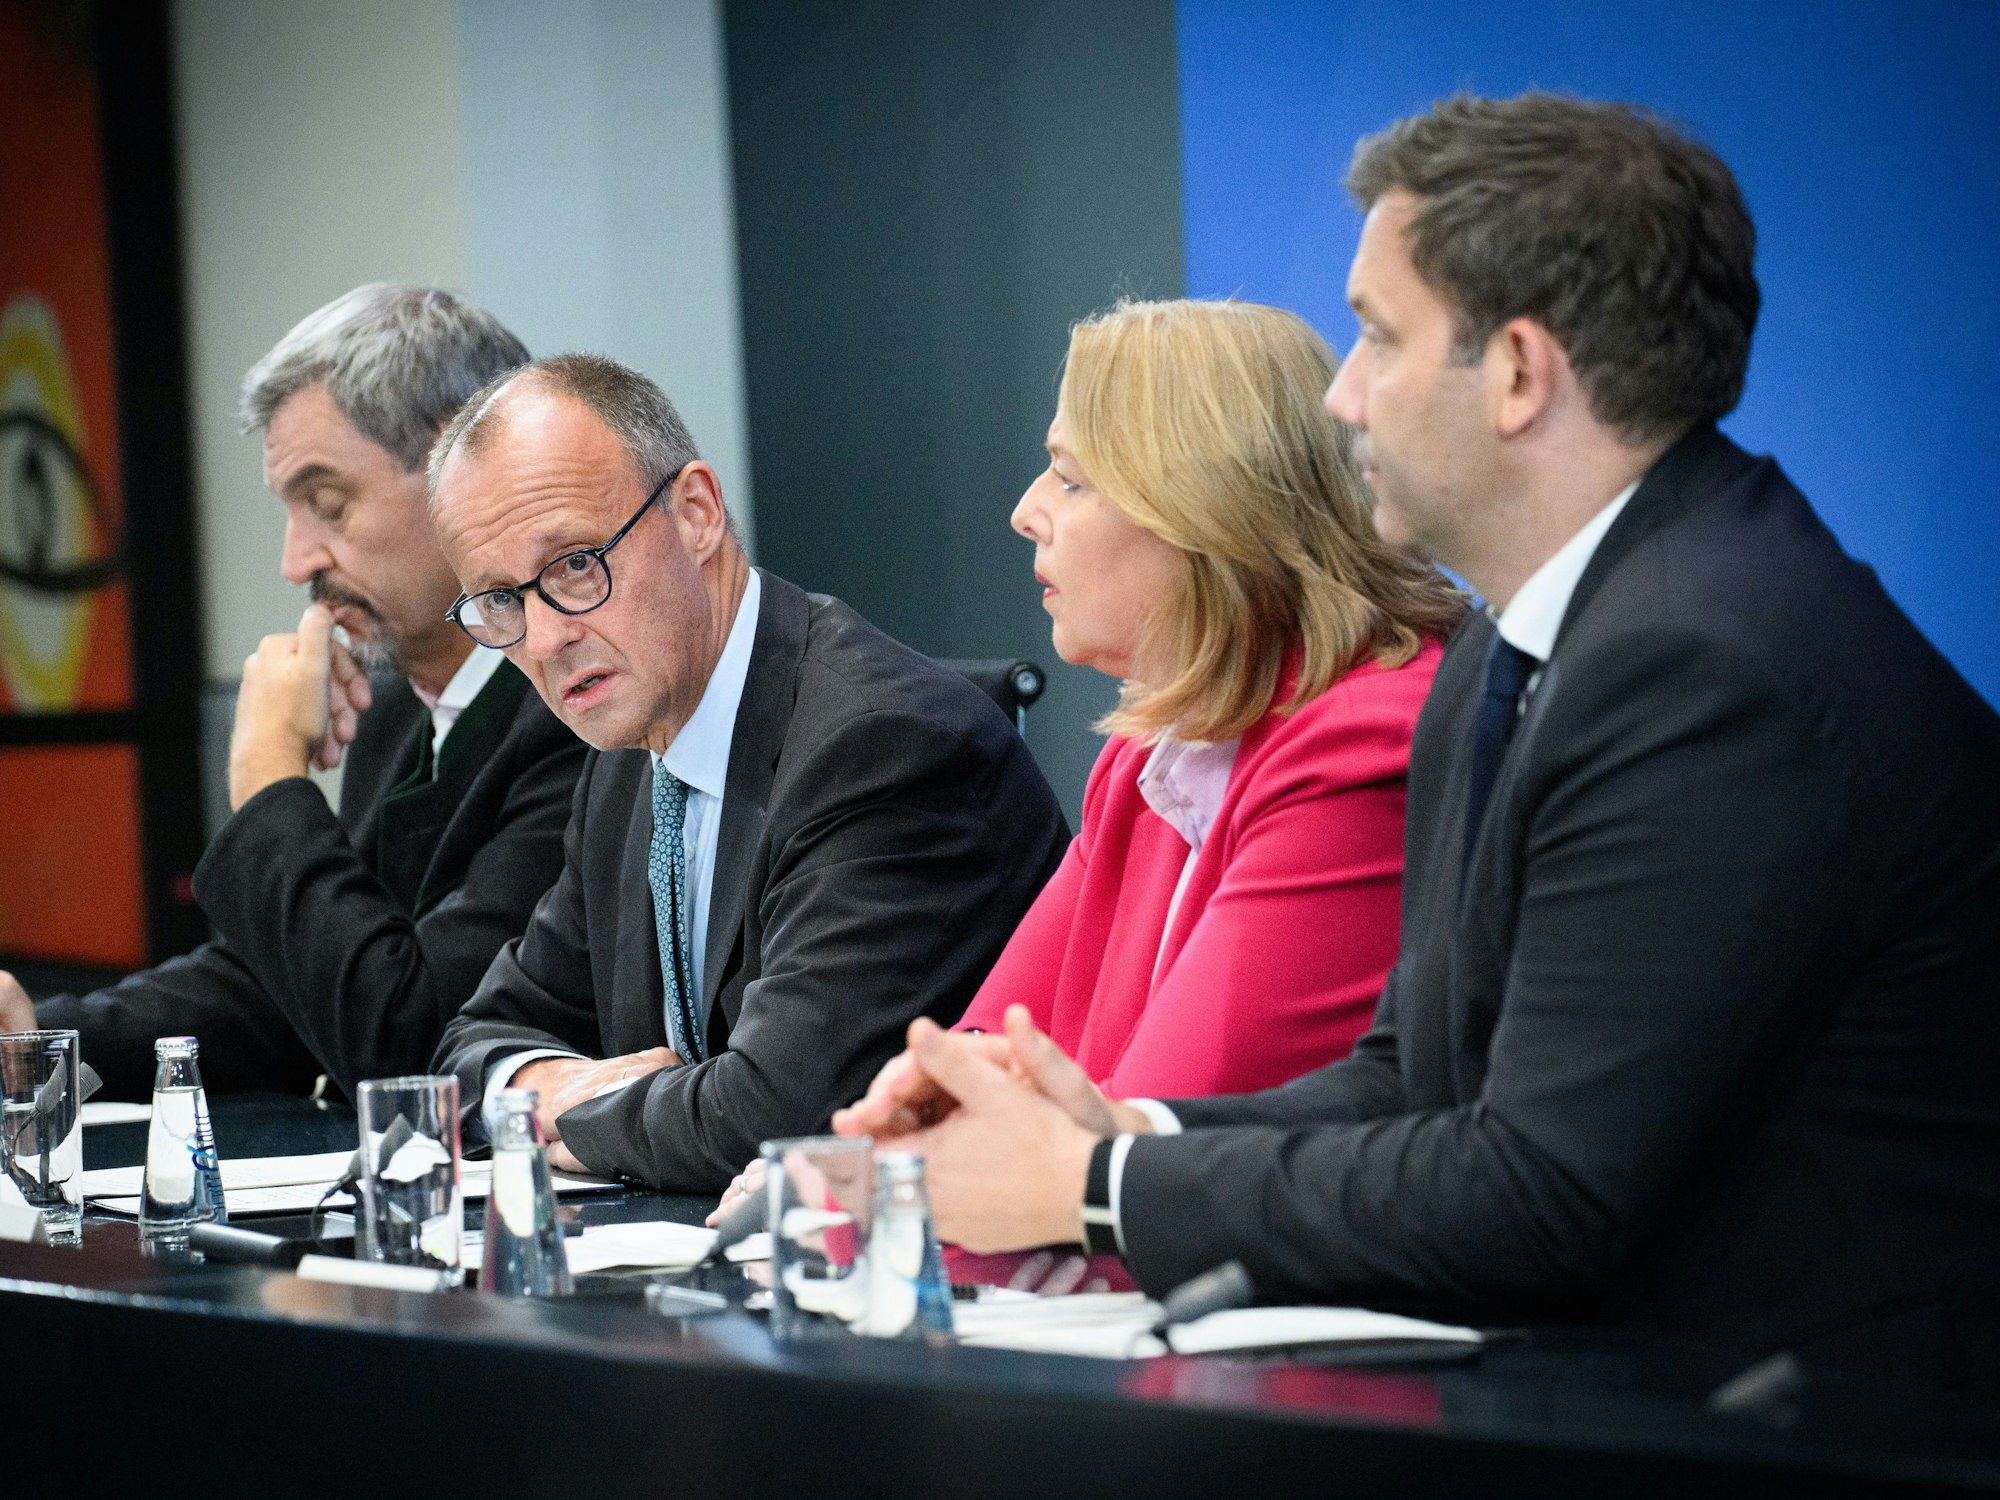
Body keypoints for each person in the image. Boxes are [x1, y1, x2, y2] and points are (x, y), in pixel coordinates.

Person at [837, 94, 2000, 1385]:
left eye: (1379, 339)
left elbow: (1540, 1192)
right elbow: (1411, 1079)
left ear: (1517, 374)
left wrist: (1093, 1189)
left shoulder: (1700, 664)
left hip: (1823, 1423)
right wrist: (1120, 1134)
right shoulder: (1522, 648)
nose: (1343, 396)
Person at [425, 353, 1069, 1192]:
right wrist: (540, 1089)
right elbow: (474, 1037)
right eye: (501, 600)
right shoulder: (627, 759)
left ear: (696, 513)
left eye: (576, 564)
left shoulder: (884, 747)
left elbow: (777, 1114)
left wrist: (556, 1113)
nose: (545, 640)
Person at [0, 285, 587, 1101]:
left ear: (464, 469)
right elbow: (287, 991)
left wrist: (270, 775)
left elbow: (416, 1044)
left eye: (327, 505)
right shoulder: (393, 705)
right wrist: (38, 1040)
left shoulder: (579, 709)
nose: (295, 562)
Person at [957, 299, 1458, 1097]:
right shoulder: (1151, 748)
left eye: (1070, 479)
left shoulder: (1359, 751)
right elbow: (980, 1052)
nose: (1026, 513)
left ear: (1204, 512)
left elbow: (1152, 1133)